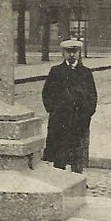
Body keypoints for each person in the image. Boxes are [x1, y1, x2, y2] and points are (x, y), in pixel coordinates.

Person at [41, 39, 98, 173]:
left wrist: (87, 113)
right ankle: (59, 177)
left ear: (79, 53)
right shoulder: (56, 71)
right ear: (63, 53)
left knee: (78, 151)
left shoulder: (85, 72)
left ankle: (77, 177)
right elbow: (47, 93)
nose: (72, 55)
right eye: (69, 52)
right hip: (60, 119)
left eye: (75, 52)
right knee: (60, 150)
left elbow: (92, 95)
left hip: (79, 119)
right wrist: (53, 110)